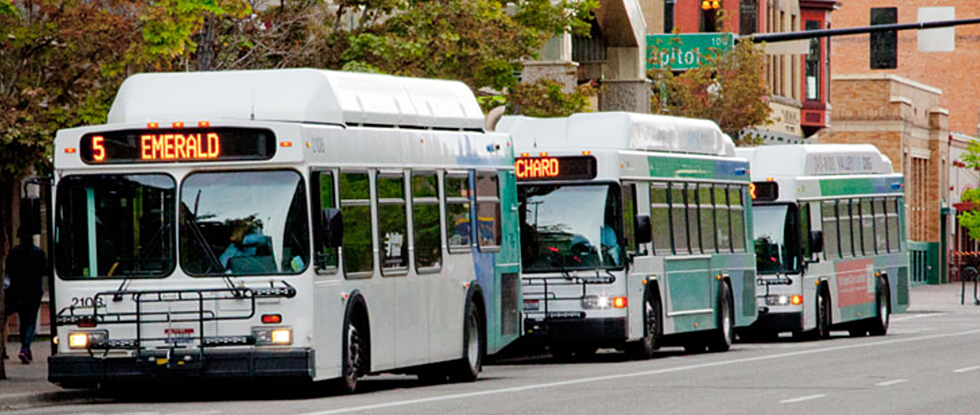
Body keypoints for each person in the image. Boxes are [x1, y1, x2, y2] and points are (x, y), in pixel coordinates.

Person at [3, 227, 47, 364]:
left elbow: (8, 271)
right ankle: (25, 347)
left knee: (24, 321)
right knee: (30, 321)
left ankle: (25, 348)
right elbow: (44, 270)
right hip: (33, 292)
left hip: (19, 292)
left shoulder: (14, 253)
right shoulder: (38, 253)